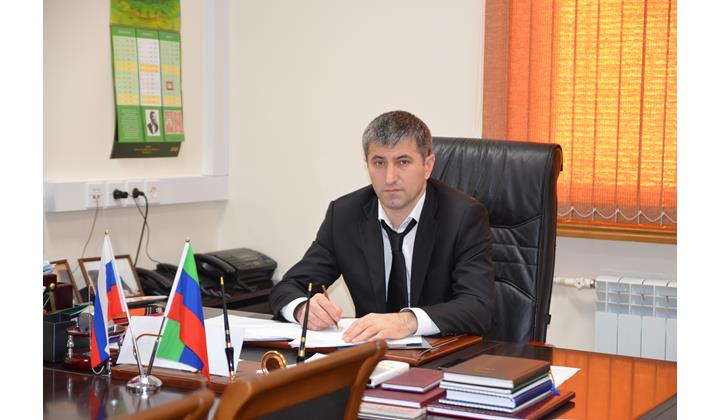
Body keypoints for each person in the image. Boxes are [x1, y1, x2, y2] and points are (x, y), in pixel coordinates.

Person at [269, 110, 495, 342]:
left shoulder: (462, 217)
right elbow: (288, 287)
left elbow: (478, 306)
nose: (389, 177)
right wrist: (302, 309)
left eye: (403, 162)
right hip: (368, 355)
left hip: (440, 354)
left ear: (427, 166)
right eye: (379, 162)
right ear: (366, 164)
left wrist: (407, 321)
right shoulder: (345, 215)